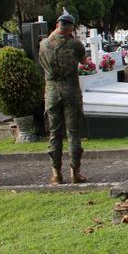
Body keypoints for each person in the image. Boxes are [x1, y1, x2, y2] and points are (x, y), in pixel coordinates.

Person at [39, 13, 89, 184]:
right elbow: (84, 61)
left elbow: (41, 63)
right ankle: (75, 173)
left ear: (57, 25)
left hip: (52, 91)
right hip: (71, 90)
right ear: (71, 28)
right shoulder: (74, 44)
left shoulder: (43, 44)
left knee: (54, 134)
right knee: (73, 134)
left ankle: (56, 174)